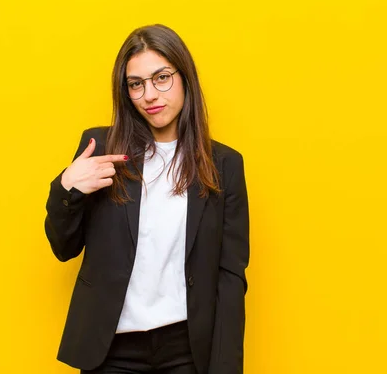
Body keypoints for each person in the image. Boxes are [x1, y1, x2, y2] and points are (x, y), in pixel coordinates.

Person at [43, 24, 250, 374]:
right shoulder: (102, 150)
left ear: (185, 78)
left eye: (162, 78)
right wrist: (67, 188)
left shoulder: (224, 165)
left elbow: (230, 277)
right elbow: (64, 247)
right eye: (136, 84)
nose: (149, 95)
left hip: (186, 349)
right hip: (112, 350)